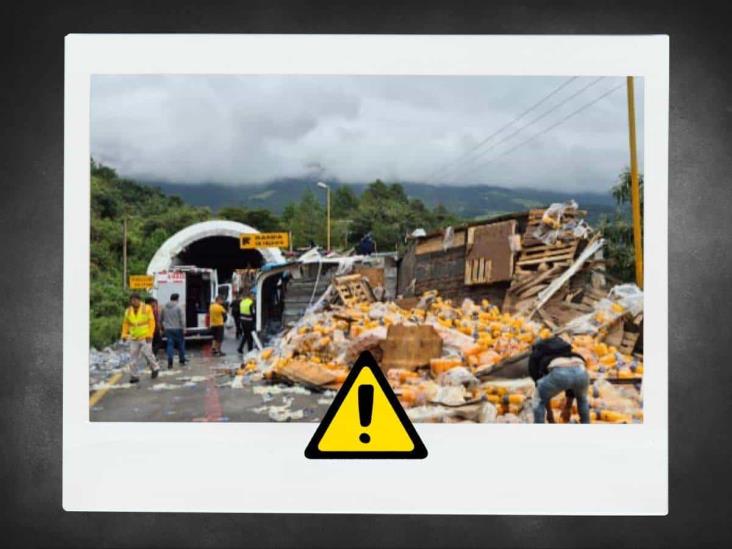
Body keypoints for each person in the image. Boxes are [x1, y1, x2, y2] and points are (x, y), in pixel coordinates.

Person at [529, 335, 590, 424]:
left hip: (560, 373)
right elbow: (572, 381)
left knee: (538, 399)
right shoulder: (565, 351)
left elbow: (539, 385)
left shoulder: (535, 356)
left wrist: (549, 414)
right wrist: (568, 407)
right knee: (582, 399)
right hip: (582, 370)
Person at [120, 293, 160, 383]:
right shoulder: (128, 311)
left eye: (135, 300)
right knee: (132, 358)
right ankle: (134, 376)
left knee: (148, 354)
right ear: (130, 301)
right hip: (134, 337)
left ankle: (155, 368)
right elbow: (125, 324)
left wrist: (150, 335)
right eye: (132, 300)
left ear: (139, 300)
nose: (134, 302)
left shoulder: (147, 308)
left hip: (145, 337)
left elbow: (151, 322)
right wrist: (124, 335)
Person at [160, 292, 187, 369]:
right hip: (178, 329)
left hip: (168, 329)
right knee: (181, 344)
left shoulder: (164, 307)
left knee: (170, 345)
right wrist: (184, 328)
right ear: (177, 299)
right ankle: (182, 360)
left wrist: (162, 327)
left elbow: (161, 319)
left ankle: (170, 362)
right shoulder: (179, 307)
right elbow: (182, 319)